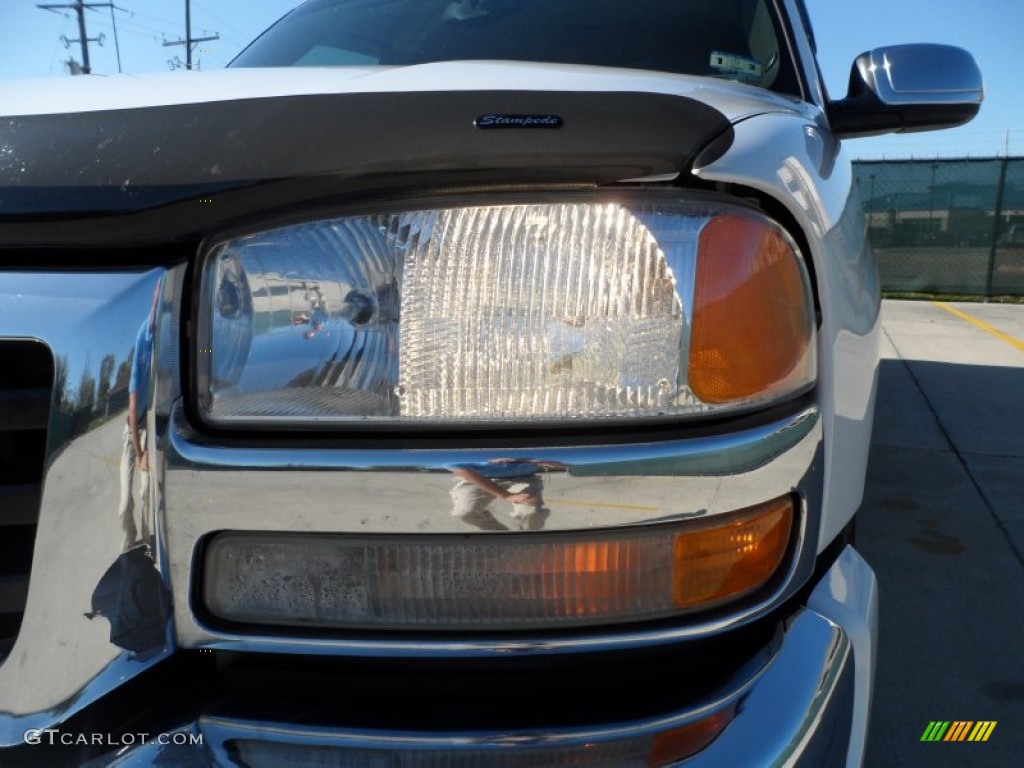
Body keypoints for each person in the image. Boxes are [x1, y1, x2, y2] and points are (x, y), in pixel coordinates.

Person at [118, 281, 159, 553]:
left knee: (146, 492)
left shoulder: (166, 336)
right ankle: (127, 542)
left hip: (152, 427)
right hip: (133, 429)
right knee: (124, 505)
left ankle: (147, 542)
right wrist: (140, 450)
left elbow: (205, 351)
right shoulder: (144, 338)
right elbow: (133, 411)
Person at [448, 459, 560, 531]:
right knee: (465, 512)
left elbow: (565, 461)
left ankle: (526, 540)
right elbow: (457, 467)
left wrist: (527, 459)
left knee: (533, 513)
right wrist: (505, 495)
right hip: (477, 477)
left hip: (522, 476)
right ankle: (501, 535)